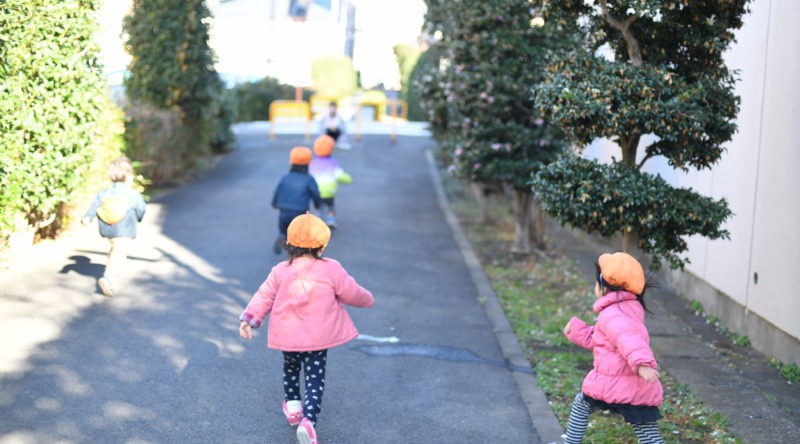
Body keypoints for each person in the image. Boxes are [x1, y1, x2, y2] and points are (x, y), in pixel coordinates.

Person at [239, 213, 374, 444]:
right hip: (317, 338)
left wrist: (250, 318)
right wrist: (367, 299)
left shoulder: (280, 270)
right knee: (314, 377)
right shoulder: (331, 268)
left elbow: (264, 296)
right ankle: (309, 421)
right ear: (322, 247)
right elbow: (352, 292)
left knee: (290, 368)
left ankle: (293, 407)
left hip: (287, 336)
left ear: (289, 244)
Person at [562, 252, 664, 444]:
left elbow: (629, 338)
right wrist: (577, 331)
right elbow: (606, 339)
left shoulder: (613, 314)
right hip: (625, 383)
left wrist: (642, 363)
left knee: (581, 404)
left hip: (616, 383)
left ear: (605, 286)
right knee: (646, 430)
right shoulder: (627, 307)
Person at [81, 157, 146, 297]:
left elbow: (94, 206)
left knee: (115, 248)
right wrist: (138, 218)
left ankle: (111, 271)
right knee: (120, 252)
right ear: (128, 175)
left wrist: (87, 218)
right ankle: (107, 278)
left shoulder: (105, 192)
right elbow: (141, 210)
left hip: (107, 228)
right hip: (124, 229)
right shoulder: (133, 193)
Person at [272, 146, 321, 254]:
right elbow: (315, 193)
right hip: (300, 211)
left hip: (284, 211)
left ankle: (283, 237)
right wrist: (317, 204)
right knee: (299, 233)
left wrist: (274, 203)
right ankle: (295, 251)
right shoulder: (309, 178)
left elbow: (278, 190)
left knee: (284, 229)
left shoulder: (285, 177)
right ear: (309, 162)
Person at [309, 134, 352, 228]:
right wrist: (348, 179)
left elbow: (309, 175)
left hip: (316, 190)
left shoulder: (312, 162)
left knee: (318, 207)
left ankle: (318, 221)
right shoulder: (333, 162)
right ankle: (330, 220)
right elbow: (339, 175)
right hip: (329, 191)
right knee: (330, 205)